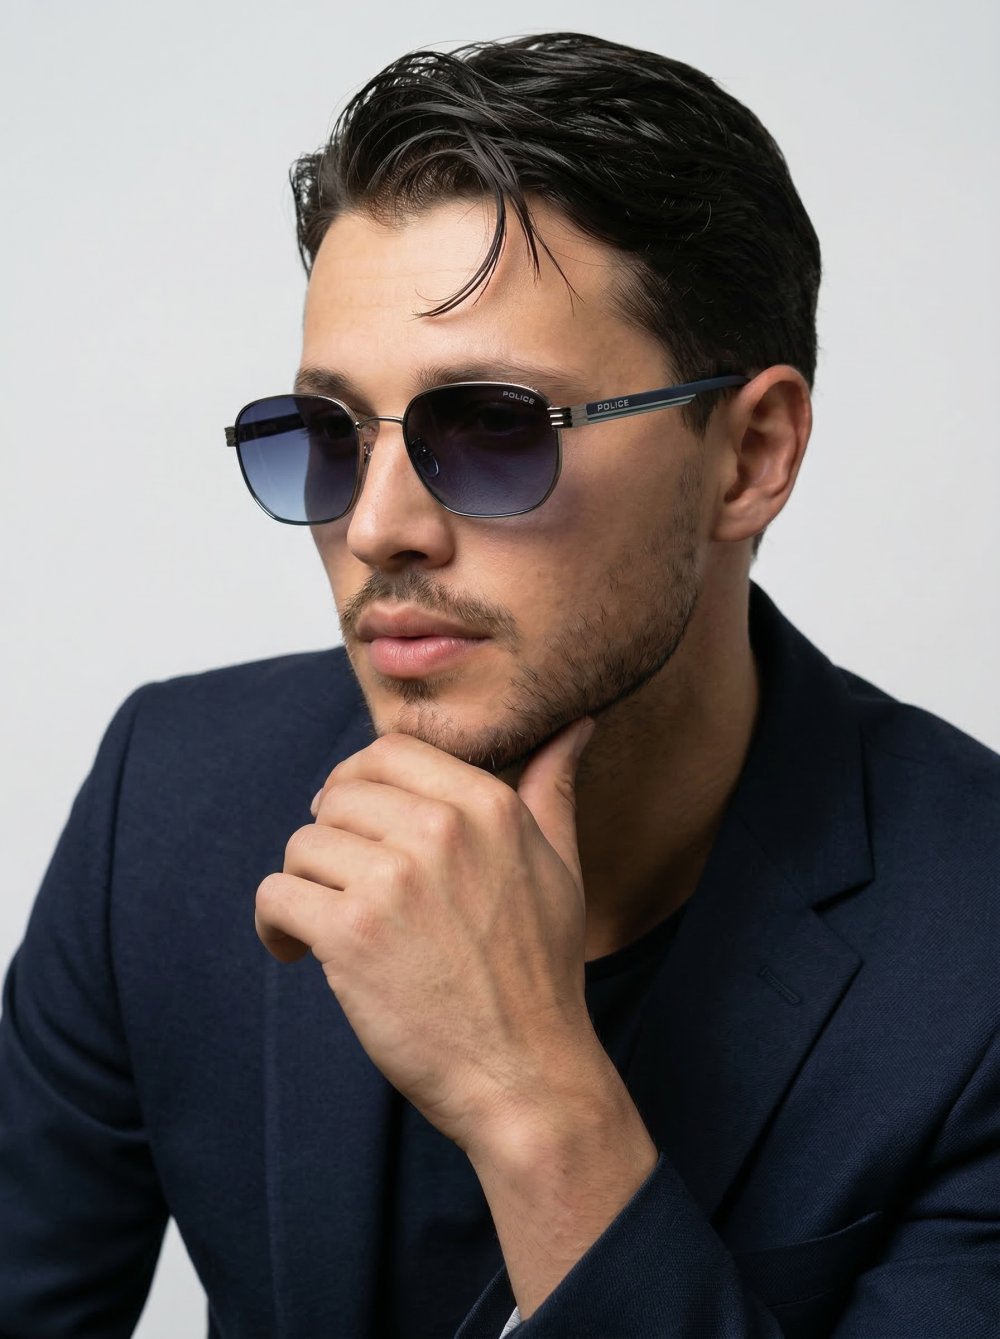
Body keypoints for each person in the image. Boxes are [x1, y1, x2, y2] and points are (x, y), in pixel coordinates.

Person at [1, 29, 997, 1339]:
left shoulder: (974, 948)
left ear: (751, 453)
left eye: (491, 427)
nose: (377, 528)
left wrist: (534, 1102)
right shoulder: (171, 796)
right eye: (327, 436)